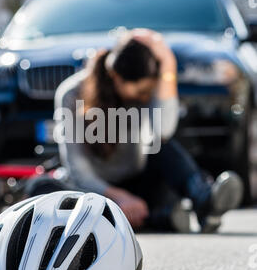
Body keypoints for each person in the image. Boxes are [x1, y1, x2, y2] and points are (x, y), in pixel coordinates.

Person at [28, 28, 243, 232]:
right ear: (116, 77)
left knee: (164, 149)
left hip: (139, 187)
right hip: (94, 192)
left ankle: (203, 199)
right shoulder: (72, 94)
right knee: (41, 188)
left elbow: (164, 132)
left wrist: (168, 65)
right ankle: (161, 217)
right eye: (141, 90)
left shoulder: (149, 87)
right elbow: (78, 169)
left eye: (150, 88)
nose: (145, 94)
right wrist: (117, 197)